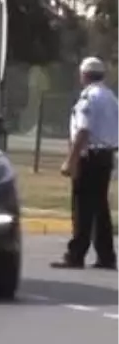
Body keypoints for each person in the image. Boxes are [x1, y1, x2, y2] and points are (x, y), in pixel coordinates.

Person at [53, 56, 119, 270]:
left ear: (84, 75)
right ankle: (106, 255)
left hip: (89, 157)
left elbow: (83, 130)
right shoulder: (111, 98)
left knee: (82, 206)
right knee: (100, 206)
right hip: (106, 156)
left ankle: (76, 254)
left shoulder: (88, 98)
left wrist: (71, 161)